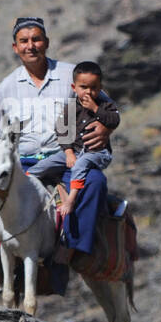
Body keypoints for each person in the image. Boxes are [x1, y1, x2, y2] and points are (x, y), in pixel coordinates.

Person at [0, 17, 115, 261]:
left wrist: (105, 129)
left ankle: (71, 250)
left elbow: (105, 105)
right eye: (24, 41)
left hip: (66, 159)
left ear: (46, 43)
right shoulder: (6, 87)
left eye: (36, 39)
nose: (30, 45)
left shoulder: (69, 75)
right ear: (15, 47)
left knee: (94, 182)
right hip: (25, 163)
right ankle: (0, 250)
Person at [26, 61, 119, 229]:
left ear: (100, 88)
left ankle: (70, 201)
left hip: (96, 153)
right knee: (45, 165)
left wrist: (96, 109)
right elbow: (62, 130)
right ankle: (28, 183)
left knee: (80, 166)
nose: (89, 92)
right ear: (74, 87)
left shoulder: (105, 105)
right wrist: (68, 152)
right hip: (74, 151)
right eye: (84, 87)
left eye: (94, 88)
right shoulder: (71, 107)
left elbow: (114, 120)